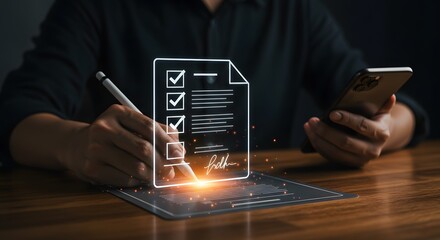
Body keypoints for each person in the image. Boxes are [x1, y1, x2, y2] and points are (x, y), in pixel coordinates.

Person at [0, 0, 428, 186]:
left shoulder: (294, 9)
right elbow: (16, 115)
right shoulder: (96, 6)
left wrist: (384, 129)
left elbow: (398, 107)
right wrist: (75, 145)